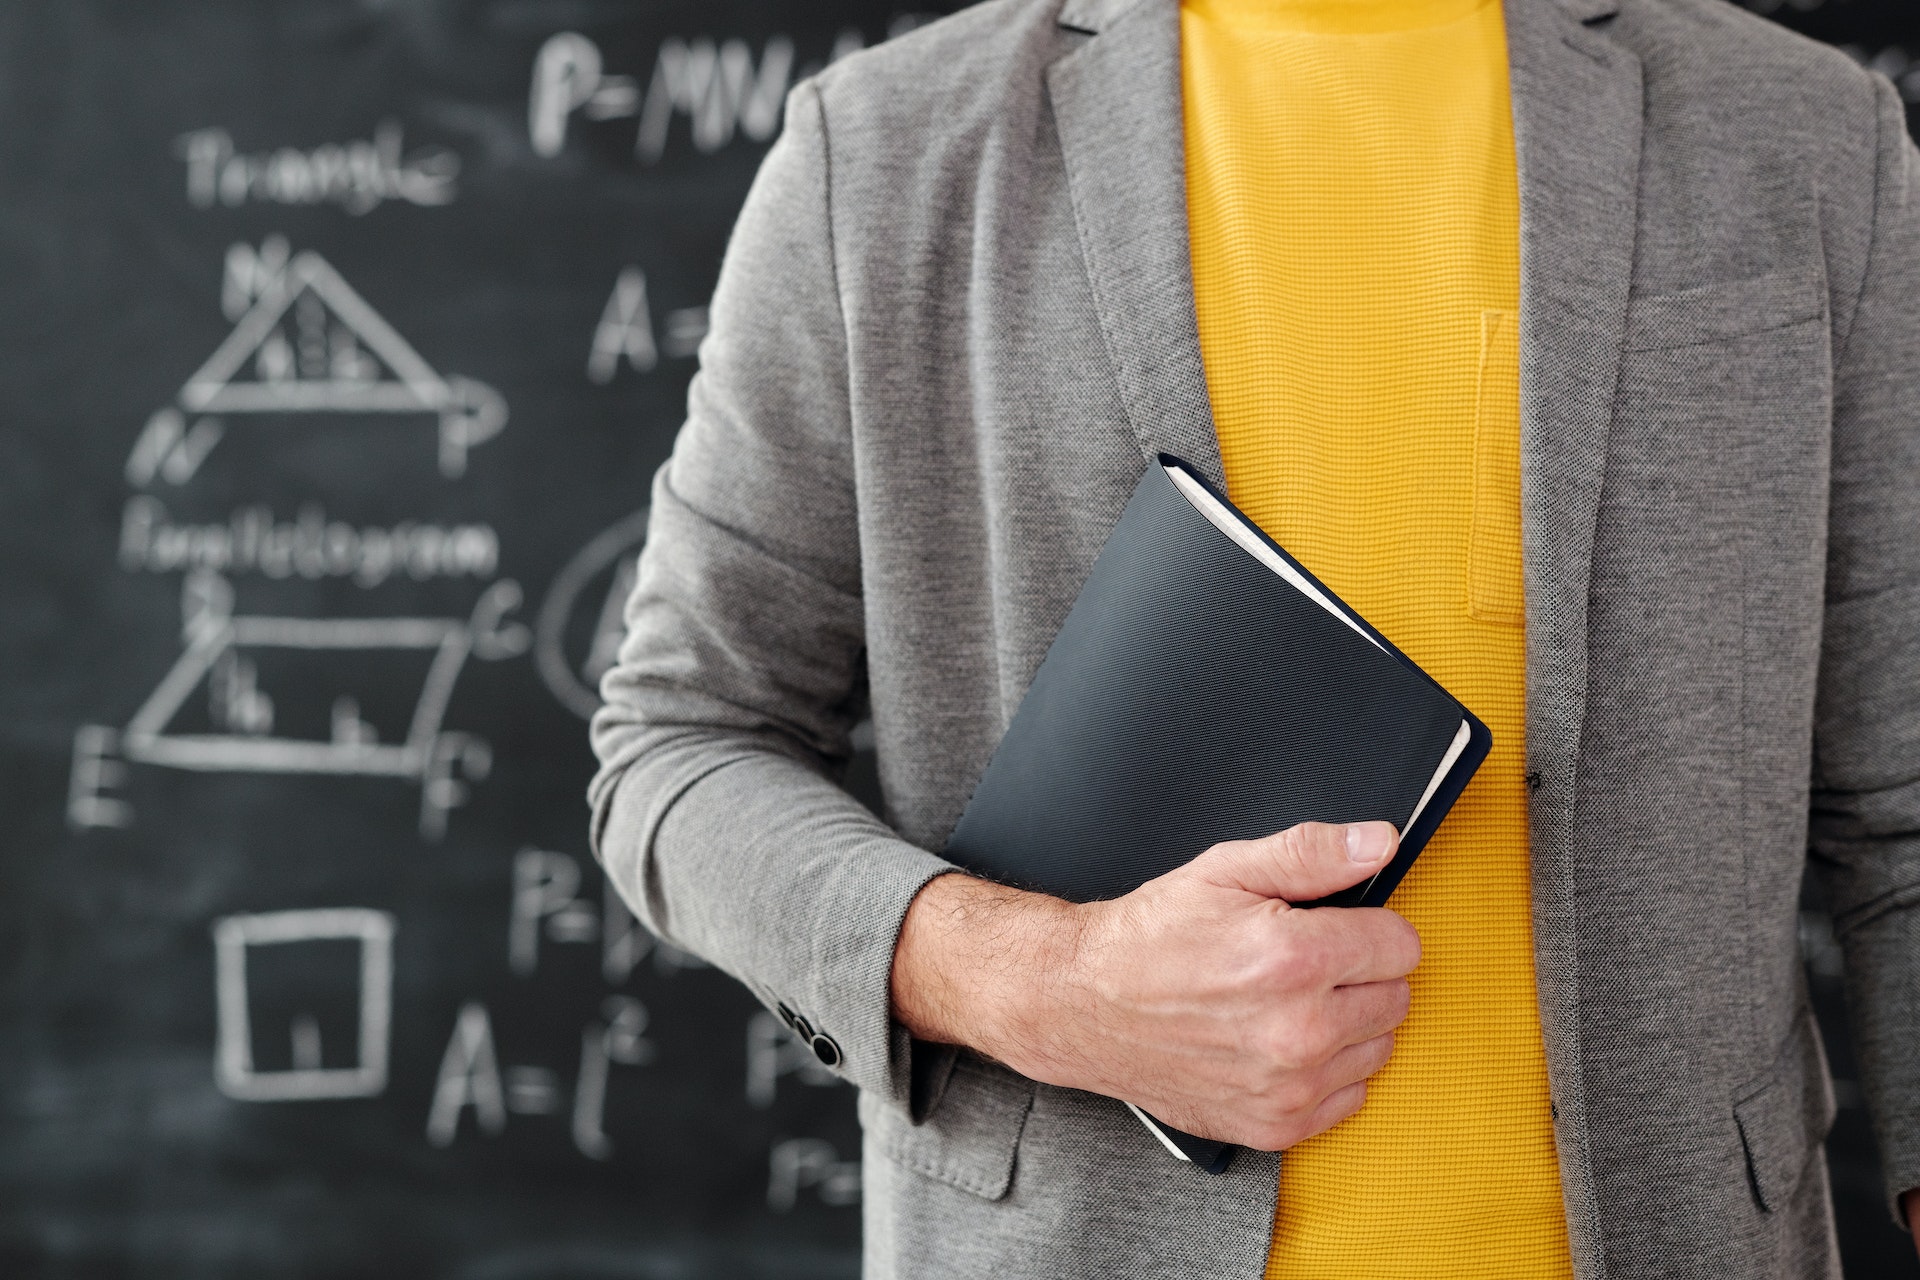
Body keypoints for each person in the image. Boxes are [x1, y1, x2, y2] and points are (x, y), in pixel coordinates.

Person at [588, 0, 1920, 1273]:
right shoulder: (879, 151)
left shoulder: (1807, 138)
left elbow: (1907, 807)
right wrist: (1041, 981)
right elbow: (681, 743)